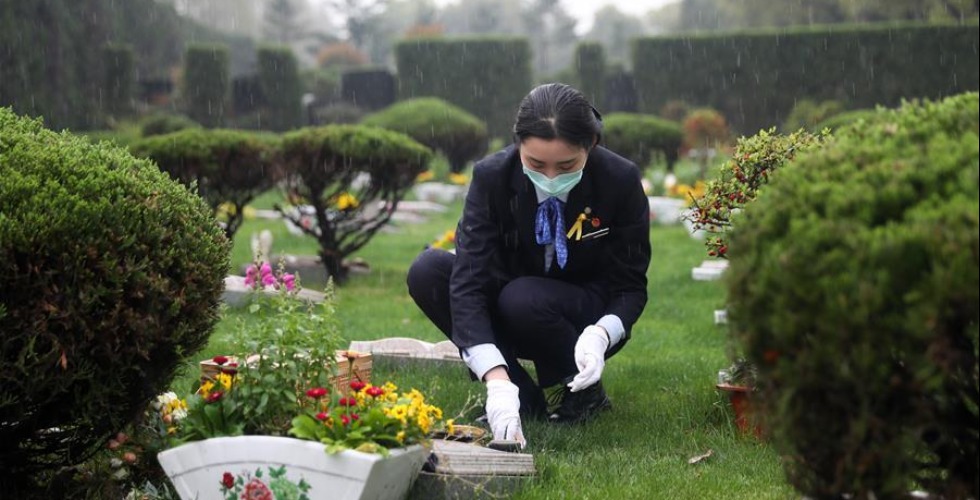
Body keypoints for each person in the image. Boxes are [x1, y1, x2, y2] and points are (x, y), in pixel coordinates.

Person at [407, 83, 651, 447]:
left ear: (591, 147)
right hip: (510, 300)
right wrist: (496, 380)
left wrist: (602, 334)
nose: (551, 178)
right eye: (536, 164)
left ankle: (580, 392)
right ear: (519, 145)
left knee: (524, 297)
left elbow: (630, 285)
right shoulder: (493, 177)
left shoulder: (619, 180)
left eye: (566, 165)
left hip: (581, 316)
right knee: (429, 270)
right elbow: (469, 279)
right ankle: (520, 397)